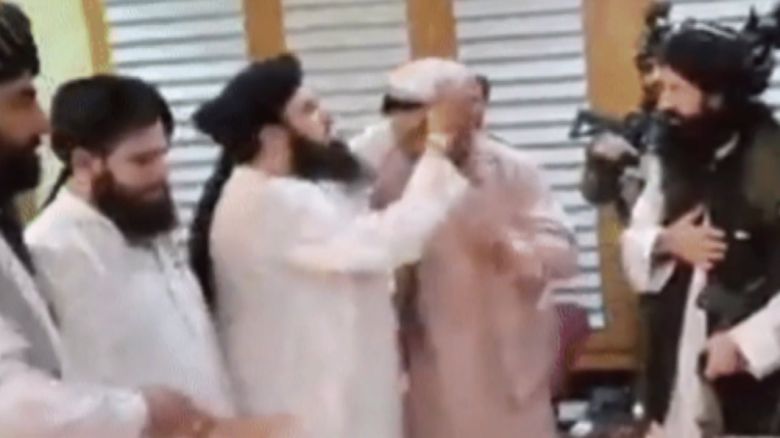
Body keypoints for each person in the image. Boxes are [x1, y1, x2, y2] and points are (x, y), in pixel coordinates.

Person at [188, 54, 471, 438]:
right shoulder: (271, 201)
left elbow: (352, 159)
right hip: (306, 406)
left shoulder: (290, 186)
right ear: (272, 136)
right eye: (309, 109)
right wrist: (437, 148)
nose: (327, 116)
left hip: (329, 396)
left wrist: (406, 124)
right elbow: (388, 241)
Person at [0, 3, 226, 437]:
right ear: (86, 164)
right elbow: (39, 398)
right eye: (23, 99)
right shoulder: (58, 250)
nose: (43, 123)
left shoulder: (146, 225)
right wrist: (142, 413)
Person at [361, 59, 578, 438]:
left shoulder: (513, 170)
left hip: (508, 365)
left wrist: (515, 249)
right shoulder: (380, 174)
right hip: (427, 366)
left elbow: (564, 254)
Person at [25, 75, 237, 418]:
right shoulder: (51, 250)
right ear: (84, 164)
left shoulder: (146, 223)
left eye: (162, 155)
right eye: (142, 160)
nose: (161, 173)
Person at [622, 10, 780, 437]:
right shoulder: (671, 157)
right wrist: (665, 242)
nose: (663, 104)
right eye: (662, 88)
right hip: (673, 374)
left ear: (717, 96)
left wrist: (747, 343)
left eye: (676, 89)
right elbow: (635, 238)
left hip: (757, 392)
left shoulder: (771, 164)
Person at [579, 1, 671, 223]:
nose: (651, 78)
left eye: (659, 67)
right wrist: (603, 161)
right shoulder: (642, 119)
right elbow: (595, 193)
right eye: (646, 67)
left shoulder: (705, 120)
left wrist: (643, 163)